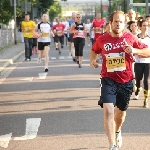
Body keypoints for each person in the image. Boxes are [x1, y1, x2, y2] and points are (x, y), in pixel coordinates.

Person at [90, 11, 150, 150]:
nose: (118, 24)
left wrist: (134, 50)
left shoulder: (130, 38)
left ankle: (117, 131)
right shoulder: (102, 39)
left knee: (120, 113)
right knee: (109, 110)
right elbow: (94, 50)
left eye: (120, 22)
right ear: (111, 23)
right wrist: (93, 60)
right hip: (108, 79)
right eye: (115, 21)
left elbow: (147, 51)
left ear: (124, 24)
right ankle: (112, 145)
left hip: (126, 80)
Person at [133, 18, 150, 108]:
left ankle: (145, 100)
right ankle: (138, 90)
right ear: (140, 27)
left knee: (147, 81)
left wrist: (145, 54)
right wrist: (139, 53)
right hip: (138, 62)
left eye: (147, 25)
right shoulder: (136, 38)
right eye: (144, 25)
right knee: (138, 80)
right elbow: (133, 50)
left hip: (148, 63)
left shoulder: (149, 38)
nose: (146, 27)